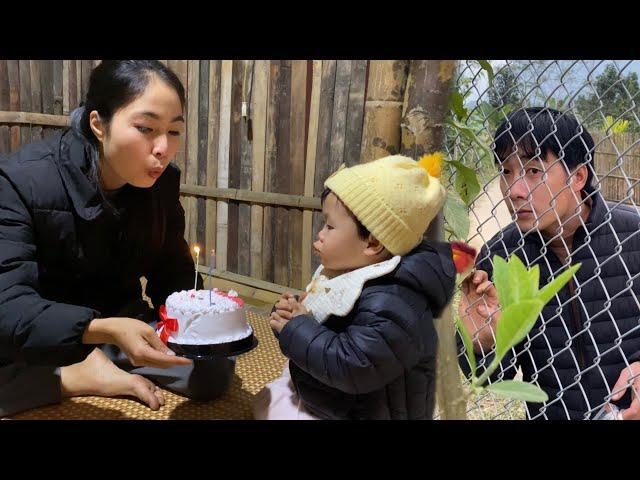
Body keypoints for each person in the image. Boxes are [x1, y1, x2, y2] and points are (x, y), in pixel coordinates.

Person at [0, 60, 233, 418]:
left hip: (119, 325)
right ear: (98, 123)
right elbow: (9, 306)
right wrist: (96, 331)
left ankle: (93, 362)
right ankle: (73, 376)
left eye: (174, 132)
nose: (162, 148)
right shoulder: (19, 181)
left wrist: (195, 324)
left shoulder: (160, 183)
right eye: (145, 128)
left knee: (210, 371)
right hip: (37, 333)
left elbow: (172, 270)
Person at [252, 154, 471, 419]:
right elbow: (332, 317)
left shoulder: (394, 300)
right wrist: (295, 312)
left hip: (365, 410)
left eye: (330, 226)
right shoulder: (358, 273)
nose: (320, 234)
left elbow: (356, 364)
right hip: (333, 398)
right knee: (265, 400)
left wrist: (297, 327)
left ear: (372, 243)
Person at [459, 107, 640, 420]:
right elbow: (492, 378)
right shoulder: (502, 254)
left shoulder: (634, 235)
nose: (514, 191)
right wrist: (481, 344)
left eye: (533, 171)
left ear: (578, 176)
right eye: (505, 171)